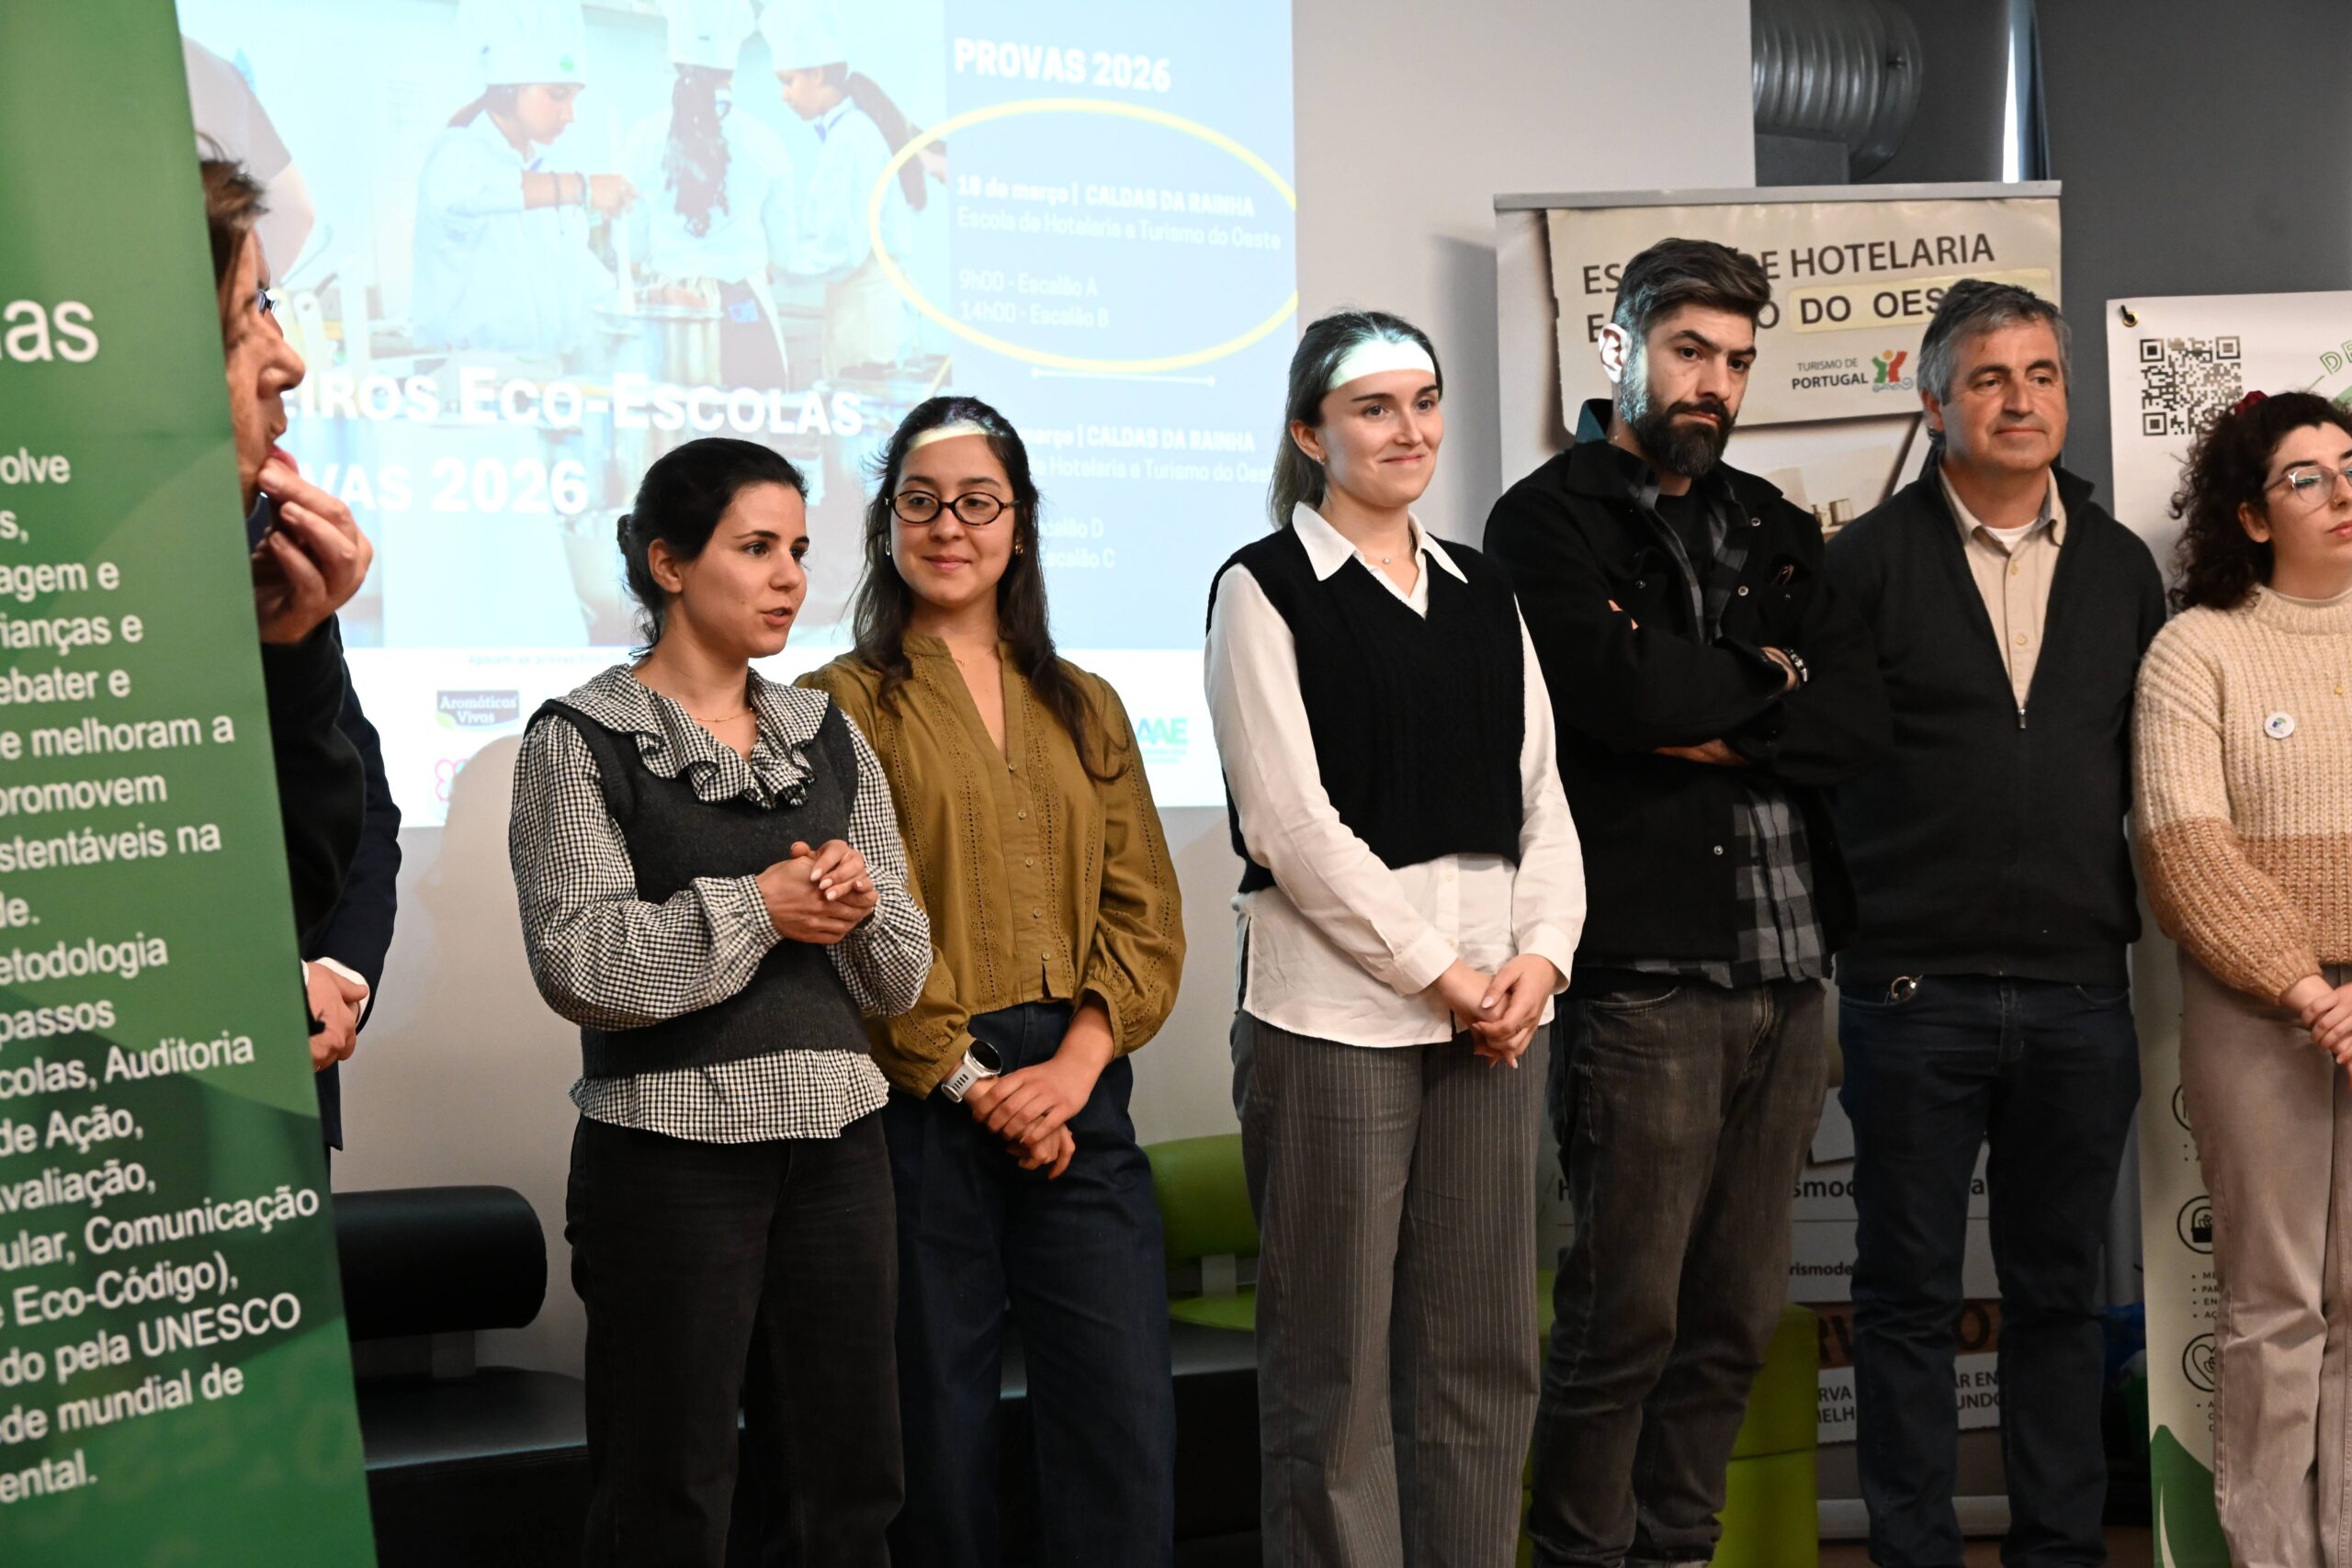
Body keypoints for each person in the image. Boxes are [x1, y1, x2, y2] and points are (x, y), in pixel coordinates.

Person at [1484, 238, 1888, 1568]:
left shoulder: (1773, 521)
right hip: (1643, 975)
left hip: (1790, 973)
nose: (1712, 383)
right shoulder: (1543, 520)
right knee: (1624, 1321)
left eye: (1736, 361)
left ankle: (1675, 1556)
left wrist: (1712, 700)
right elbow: (1614, 697)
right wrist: (1769, 681)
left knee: (1732, 1321)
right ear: (1619, 346)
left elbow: (1854, 720)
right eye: (1688, 351)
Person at [508, 436, 931, 1566]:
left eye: (798, 548)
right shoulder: (578, 738)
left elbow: (901, 976)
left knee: (849, 1490)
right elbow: (580, 963)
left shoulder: (825, 733)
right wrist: (760, 908)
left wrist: (857, 907)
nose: (790, 576)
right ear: (668, 563)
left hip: (841, 1149)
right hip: (669, 1160)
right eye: (756, 548)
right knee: (670, 1496)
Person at [1209, 310, 1585, 1566]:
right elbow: (1288, 824)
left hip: (1497, 1016)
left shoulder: (1484, 587)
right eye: (1373, 407)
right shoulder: (1262, 587)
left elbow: (1544, 796)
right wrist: (1447, 975)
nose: (1409, 428)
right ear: (1311, 434)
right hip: (1336, 1018)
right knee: (1335, 1368)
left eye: (1424, 401)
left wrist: (1541, 959)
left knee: (1484, 1350)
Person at [799, 395, 1184, 1567]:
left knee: (1122, 1425)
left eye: (978, 503)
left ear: (1019, 526)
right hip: (921, 1104)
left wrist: (1070, 1073)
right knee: (936, 1435)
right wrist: (973, 1083)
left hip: (1081, 1088)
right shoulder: (836, 703)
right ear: (886, 526)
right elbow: (854, 919)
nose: (948, 526)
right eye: (920, 503)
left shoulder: (1085, 701)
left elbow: (1144, 908)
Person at [1824, 279, 2165, 1568]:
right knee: (1906, 1295)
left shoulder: (2121, 565)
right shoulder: (1863, 564)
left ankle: (2059, 1550)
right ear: (1934, 403)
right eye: (1988, 378)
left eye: (2041, 375)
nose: (2021, 401)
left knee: (2060, 1296)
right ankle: (1914, 1553)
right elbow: (1818, 770)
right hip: (1914, 991)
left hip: (2080, 991)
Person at [2134, 389, 2352, 1568]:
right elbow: (2184, 853)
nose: (2341, 490)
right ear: (2252, 516)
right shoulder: (2196, 649)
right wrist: (2308, 988)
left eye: (2350, 464)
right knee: (2274, 1306)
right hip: (2258, 1013)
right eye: (2305, 476)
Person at [200, 158, 372, 953]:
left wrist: (288, 649)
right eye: (248, 311)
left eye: (268, 302)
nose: (291, 364)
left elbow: (276, 908)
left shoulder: (259, 568)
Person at [411, 0, 634, 359]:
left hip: (542, 376)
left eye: (574, 98)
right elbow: (488, 190)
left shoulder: (546, 170)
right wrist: (584, 188)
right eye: (557, 95)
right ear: (510, 89)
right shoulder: (457, 153)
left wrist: (641, 300)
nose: (570, 115)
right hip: (466, 375)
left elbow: (581, 280)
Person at [620, 0, 798, 386]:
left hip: (669, 315)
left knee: (671, 422)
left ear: (674, 65)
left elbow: (632, 247)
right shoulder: (763, 140)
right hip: (743, 314)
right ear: (731, 73)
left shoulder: (641, 139)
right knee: (751, 423)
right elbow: (785, 252)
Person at [762, 7, 929, 376]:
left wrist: (778, 267)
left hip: (867, 313)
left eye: (788, 81)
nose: (784, 96)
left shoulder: (852, 138)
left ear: (817, 74)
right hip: (863, 307)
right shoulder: (850, 133)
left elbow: (840, 249)